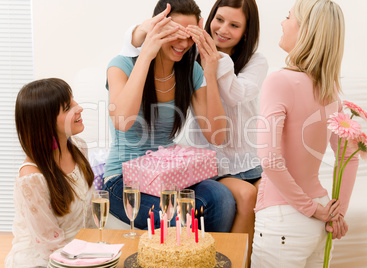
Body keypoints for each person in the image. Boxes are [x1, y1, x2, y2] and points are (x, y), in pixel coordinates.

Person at [121, 1, 267, 263]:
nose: (223, 30)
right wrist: (146, 34)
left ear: (246, 31)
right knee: (241, 196)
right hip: (210, 163)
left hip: (241, 161)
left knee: (247, 196)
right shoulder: (186, 58)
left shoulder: (242, 62)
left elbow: (235, 98)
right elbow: (132, 43)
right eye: (219, 20)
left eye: (234, 25)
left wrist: (212, 64)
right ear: (208, 21)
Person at [103, 0, 236, 232]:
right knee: (177, 216)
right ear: (158, 29)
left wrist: (210, 73)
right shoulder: (121, 65)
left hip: (170, 176)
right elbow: (121, 121)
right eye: (175, 34)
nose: (183, 43)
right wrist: (146, 54)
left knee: (221, 197)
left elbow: (217, 136)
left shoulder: (190, 71)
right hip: (124, 181)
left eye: (189, 36)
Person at [251, 0, 359, 267]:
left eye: (288, 17)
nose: (282, 23)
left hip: (283, 222)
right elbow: (352, 157)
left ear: (305, 30)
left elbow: (270, 160)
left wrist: (313, 210)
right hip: (319, 224)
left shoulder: (279, 81)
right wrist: (336, 213)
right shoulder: (329, 91)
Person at [5, 78, 95, 267]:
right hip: (48, 261)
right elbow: (50, 247)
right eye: (67, 108)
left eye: (73, 100)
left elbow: (89, 218)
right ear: (45, 123)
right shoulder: (31, 178)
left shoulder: (79, 149)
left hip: (82, 252)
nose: (79, 108)